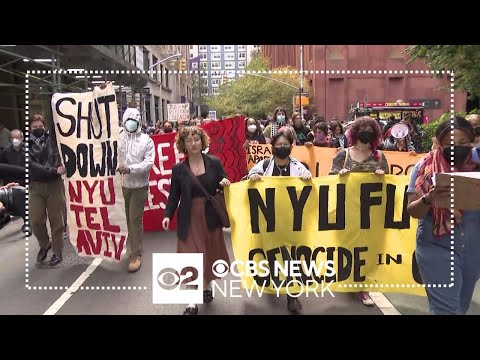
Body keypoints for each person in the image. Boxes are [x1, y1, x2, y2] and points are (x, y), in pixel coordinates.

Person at [406, 117, 480, 315]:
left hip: (473, 249)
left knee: (460, 307)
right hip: (436, 246)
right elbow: (412, 211)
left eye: (463, 143)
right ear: (439, 143)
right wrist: (429, 199)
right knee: (446, 310)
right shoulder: (424, 168)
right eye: (450, 144)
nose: (457, 147)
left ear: (472, 142)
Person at [162, 126, 231, 315]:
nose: (193, 143)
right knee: (190, 256)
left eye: (196, 139)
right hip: (189, 217)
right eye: (189, 141)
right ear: (183, 145)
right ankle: (191, 303)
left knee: (208, 252)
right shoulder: (178, 169)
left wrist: (224, 182)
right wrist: (168, 215)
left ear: (203, 141)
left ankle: (206, 286)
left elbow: (223, 180)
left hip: (209, 216)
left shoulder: (214, 163)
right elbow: (174, 195)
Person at [247, 129, 312, 313]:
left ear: (291, 147)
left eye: (285, 145)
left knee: (291, 255)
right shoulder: (265, 164)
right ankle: (274, 280)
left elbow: (310, 184)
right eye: (279, 145)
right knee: (272, 253)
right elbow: (248, 180)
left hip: (292, 220)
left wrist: (307, 178)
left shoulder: (298, 166)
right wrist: (252, 177)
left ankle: (292, 296)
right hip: (269, 219)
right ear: (273, 147)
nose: (282, 147)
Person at [329, 116, 389, 306]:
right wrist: (340, 177)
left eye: (369, 129)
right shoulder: (343, 155)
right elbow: (329, 181)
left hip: (371, 213)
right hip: (347, 211)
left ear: (375, 134)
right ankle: (348, 277)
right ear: (355, 132)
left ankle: (362, 286)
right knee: (348, 246)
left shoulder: (380, 157)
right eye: (362, 128)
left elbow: (388, 183)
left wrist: (382, 177)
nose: (366, 131)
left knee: (366, 248)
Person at [118, 107, 155, 273]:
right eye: (128, 119)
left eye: (133, 120)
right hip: (122, 185)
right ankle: (131, 247)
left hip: (139, 186)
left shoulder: (146, 140)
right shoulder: (119, 138)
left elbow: (148, 163)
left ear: (139, 121)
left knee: (134, 220)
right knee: (126, 220)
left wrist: (130, 169)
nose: (130, 123)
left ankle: (135, 254)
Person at [28, 114, 66, 266]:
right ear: (30, 129)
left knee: (57, 220)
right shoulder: (26, 144)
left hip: (54, 185)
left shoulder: (54, 141)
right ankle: (45, 245)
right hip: (36, 185)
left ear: (45, 126)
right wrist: (52, 171)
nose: (38, 129)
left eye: (40, 126)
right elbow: (31, 165)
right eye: (35, 127)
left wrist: (61, 168)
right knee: (36, 220)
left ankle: (57, 252)